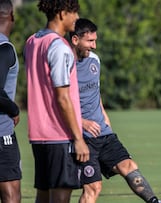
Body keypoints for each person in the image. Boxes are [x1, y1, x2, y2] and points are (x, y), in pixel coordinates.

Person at [69, 18, 161, 203]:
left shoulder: (94, 61)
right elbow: (58, 102)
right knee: (93, 187)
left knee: (129, 166)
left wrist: (105, 119)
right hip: (82, 137)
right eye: (90, 41)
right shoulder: (65, 64)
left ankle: (156, 202)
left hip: (104, 133)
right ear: (75, 40)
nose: (94, 45)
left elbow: (95, 93)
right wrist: (81, 122)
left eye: (95, 40)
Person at [24, 0, 90, 203]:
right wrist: (78, 139)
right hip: (60, 136)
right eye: (74, 13)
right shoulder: (59, 47)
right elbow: (62, 97)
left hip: (38, 135)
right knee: (60, 197)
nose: (77, 19)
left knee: (43, 196)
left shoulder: (32, 41)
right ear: (62, 13)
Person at [0, 0, 21, 202]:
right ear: (11, 16)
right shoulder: (4, 47)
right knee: (11, 195)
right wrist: (13, 108)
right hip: (2, 134)